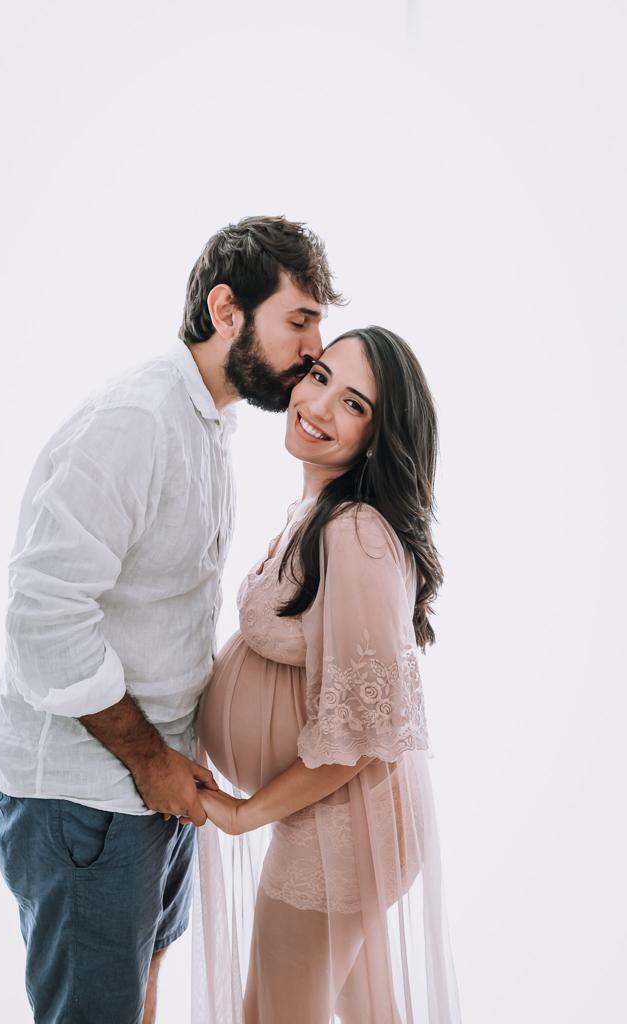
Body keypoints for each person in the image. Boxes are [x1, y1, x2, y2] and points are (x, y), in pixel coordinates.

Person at [0, 215, 342, 1024]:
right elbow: (43, 617)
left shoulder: (206, 424)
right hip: (88, 796)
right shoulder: (135, 423)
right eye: (298, 320)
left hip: (157, 785)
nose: (313, 349)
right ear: (226, 310)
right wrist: (150, 762)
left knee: (142, 995)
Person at [194, 327, 462, 1023]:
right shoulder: (319, 514)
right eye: (319, 376)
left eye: (352, 404)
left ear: (377, 437)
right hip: (340, 823)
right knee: (368, 1012)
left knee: (272, 1014)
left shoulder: (355, 534)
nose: (317, 405)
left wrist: (244, 813)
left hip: (342, 829)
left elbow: (365, 734)